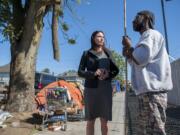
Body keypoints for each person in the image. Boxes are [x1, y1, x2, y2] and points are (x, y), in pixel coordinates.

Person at [122, 10, 173, 135]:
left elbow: (141, 58)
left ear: (146, 18)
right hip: (147, 93)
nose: (133, 21)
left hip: (153, 94)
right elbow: (136, 63)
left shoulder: (151, 34)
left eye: (136, 17)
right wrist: (129, 55)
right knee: (146, 130)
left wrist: (130, 48)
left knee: (155, 131)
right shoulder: (145, 37)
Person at [78, 30, 119, 135]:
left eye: (103, 37)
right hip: (91, 90)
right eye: (99, 36)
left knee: (104, 122)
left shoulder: (108, 52)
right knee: (90, 121)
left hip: (105, 90)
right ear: (93, 38)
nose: (101, 38)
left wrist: (108, 74)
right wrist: (93, 73)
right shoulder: (86, 53)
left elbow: (116, 70)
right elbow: (80, 72)